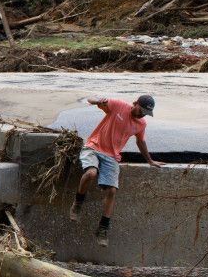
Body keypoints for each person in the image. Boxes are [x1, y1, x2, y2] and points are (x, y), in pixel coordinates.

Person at [69, 94, 164, 246]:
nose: (142, 115)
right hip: (93, 147)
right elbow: (90, 100)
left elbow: (140, 142)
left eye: (145, 113)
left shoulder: (141, 124)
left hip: (112, 156)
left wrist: (150, 160)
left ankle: (103, 228)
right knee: (91, 173)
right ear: (135, 103)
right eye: (141, 110)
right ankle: (78, 203)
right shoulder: (118, 105)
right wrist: (97, 100)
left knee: (112, 191)